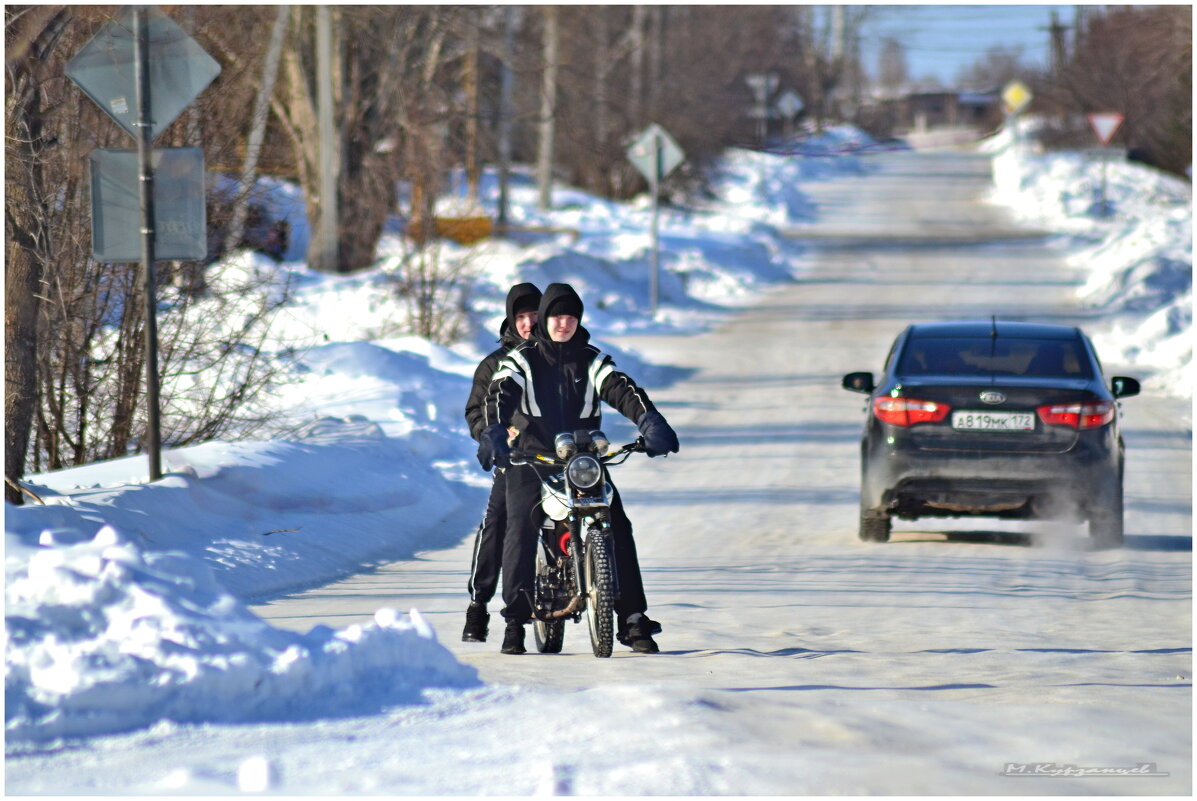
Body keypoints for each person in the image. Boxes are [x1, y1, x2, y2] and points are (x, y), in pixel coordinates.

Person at [478, 282, 679, 655]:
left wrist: (649, 421)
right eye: (557, 315)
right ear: (545, 318)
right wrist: (492, 430)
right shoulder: (522, 358)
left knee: (617, 524)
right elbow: (500, 391)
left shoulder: (591, 359)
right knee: (521, 525)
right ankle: (515, 620)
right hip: (533, 459)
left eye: (571, 316)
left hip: (582, 459)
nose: (563, 323)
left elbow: (620, 388)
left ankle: (633, 618)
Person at [461, 282, 542, 642]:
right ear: (511, 319)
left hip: (558, 460)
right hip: (515, 461)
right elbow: (476, 411)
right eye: (520, 316)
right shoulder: (493, 364)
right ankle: (478, 606)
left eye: (534, 314)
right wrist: (492, 435)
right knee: (496, 524)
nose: (528, 323)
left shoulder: (556, 358)